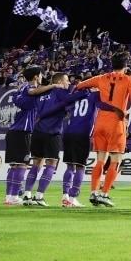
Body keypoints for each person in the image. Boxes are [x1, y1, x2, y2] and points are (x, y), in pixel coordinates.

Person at [75, 54, 131, 207]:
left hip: (100, 122)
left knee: (100, 159)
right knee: (116, 160)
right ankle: (104, 194)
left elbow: (80, 85)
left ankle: (94, 192)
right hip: (116, 123)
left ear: (111, 65)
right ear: (125, 66)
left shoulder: (101, 78)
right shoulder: (128, 79)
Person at [24, 73, 88, 207]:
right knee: (51, 164)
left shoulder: (41, 94)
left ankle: (27, 194)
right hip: (52, 133)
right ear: (59, 81)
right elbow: (70, 98)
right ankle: (39, 196)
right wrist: (85, 92)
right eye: (66, 80)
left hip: (37, 131)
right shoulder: (59, 91)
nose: (68, 83)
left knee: (36, 163)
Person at [4, 67, 61, 206]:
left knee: (14, 166)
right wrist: (53, 85)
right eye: (41, 75)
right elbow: (33, 91)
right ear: (36, 76)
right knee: (22, 165)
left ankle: (9, 196)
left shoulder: (22, 90)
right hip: (23, 131)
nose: (42, 77)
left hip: (14, 131)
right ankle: (13, 197)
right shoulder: (29, 89)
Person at [60, 85, 100, 208]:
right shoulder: (94, 95)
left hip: (68, 132)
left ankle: (65, 195)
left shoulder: (75, 97)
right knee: (80, 167)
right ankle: (73, 198)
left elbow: (66, 108)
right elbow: (103, 105)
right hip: (82, 134)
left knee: (70, 166)